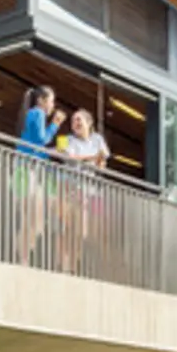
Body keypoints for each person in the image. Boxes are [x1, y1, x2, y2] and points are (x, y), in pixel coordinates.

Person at [14, 87, 64, 264]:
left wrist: (52, 151)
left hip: (24, 169)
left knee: (32, 217)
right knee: (34, 216)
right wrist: (56, 123)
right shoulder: (38, 113)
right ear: (41, 100)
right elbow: (43, 139)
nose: (52, 105)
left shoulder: (30, 114)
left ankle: (24, 257)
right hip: (27, 170)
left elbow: (37, 145)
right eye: (51, 100)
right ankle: (23, 257)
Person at [58, 108, 109, 273]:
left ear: (89, 122)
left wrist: (99, 163)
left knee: (83, 231)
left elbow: (103, 160)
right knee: (67, 228)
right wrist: (92, 159)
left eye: (79, 120)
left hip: (90, 190)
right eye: (73, 120)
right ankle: (64, 265)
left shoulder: (98, 139)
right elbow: (68, 158)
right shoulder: (64, 139)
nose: (76, 123)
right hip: (69, 188)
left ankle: (74, 265)